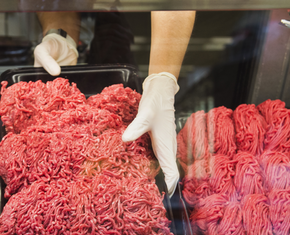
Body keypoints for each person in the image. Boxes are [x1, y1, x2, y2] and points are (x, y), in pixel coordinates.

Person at [34, 11, 196, 196]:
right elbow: (61, 4)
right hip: (98, 39)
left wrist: (163, 79)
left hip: (161, 42)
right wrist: (61, 33)